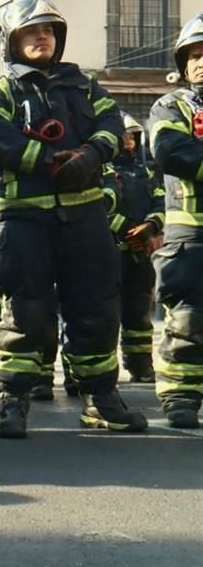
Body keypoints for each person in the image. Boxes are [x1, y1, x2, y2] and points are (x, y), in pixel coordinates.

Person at [0, 0, 147, 438]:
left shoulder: (83, 85)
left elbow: (111, 124)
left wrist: (90, 155)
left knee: (96, 309)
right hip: (23, 222)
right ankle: (13, 400)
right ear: (12, 39)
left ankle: (100, 399)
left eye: (48, 30)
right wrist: (48, 161)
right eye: (31, 31)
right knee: (24, 312)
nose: (42, 36)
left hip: (85, 219)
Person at [147, 12, 203, 429]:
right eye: (193, 55)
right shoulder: (171, 105)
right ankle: (181, 396)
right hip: (191, 234)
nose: (200, 62)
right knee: (187, 319)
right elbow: (171, 151)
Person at [107, 113, 163, 383]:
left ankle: (140, 366)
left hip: (139, 255)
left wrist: (151, 226)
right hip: (109, 253)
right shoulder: (101, 170)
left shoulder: (145, 171)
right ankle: (101, 372)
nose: (130, 141)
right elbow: (98, 206)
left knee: (138, 314)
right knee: (104, 315)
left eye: (133, 136)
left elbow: (161, 202)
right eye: (125, 136)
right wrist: (126, 228)